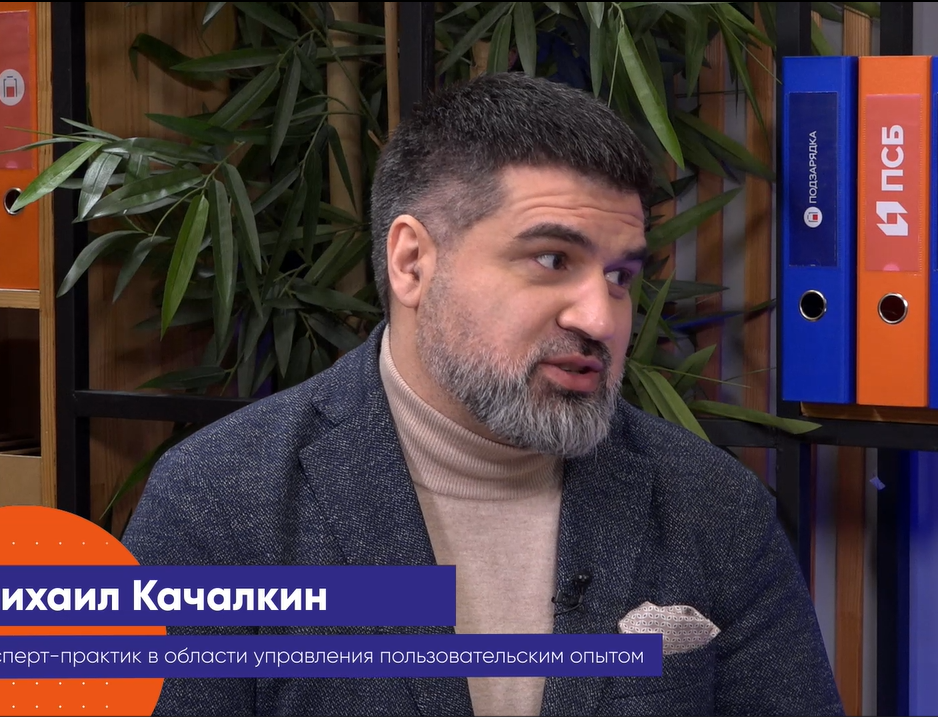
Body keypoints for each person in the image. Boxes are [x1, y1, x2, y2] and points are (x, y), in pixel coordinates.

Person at [122, 71, 843, 717]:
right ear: (412, 262)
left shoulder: (710, 506)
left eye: (620, 277)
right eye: (552, 259)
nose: (600, 319)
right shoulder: (220, 501)